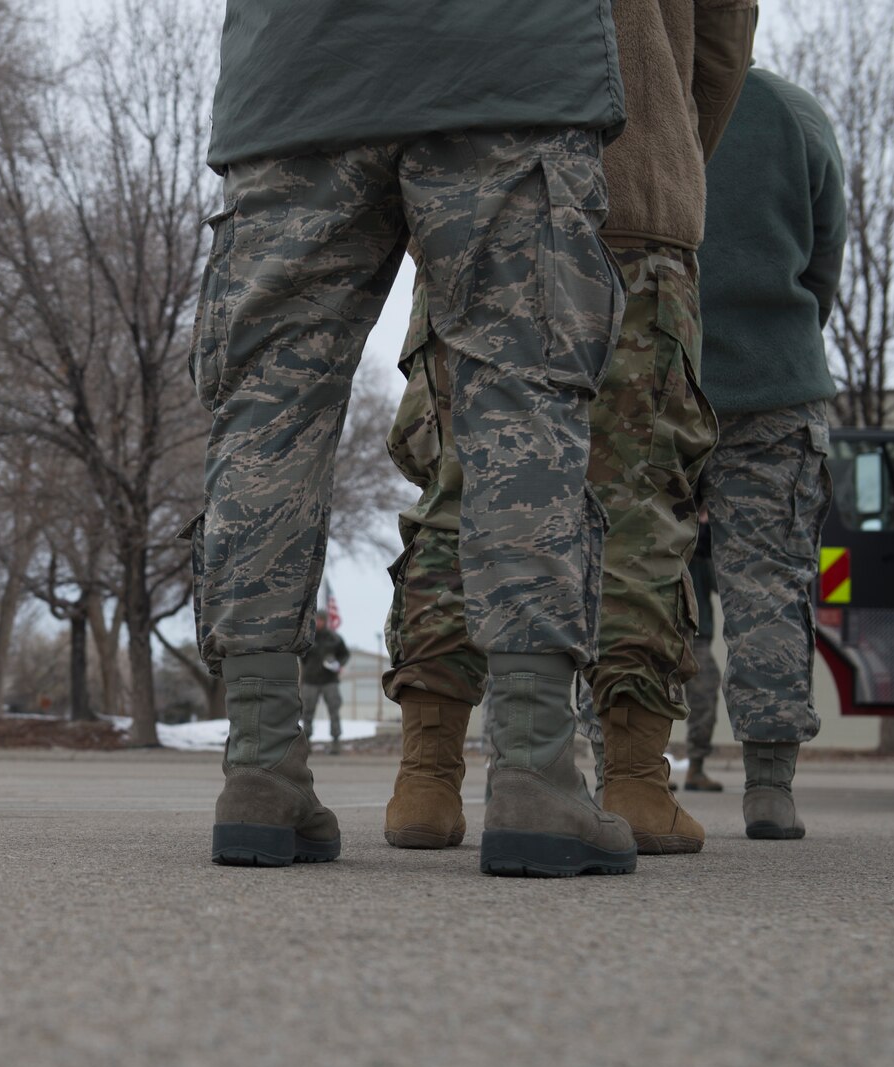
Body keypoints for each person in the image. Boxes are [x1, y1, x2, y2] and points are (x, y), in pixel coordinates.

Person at [192, 1, 632, 874]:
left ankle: (259, 771)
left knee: (268, 421)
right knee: (524, 410)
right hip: (509, 63)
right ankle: (537, 775)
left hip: (297, 72)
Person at [383, 0, 755, 860]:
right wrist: (666, 153)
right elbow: (722, 47)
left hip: (468, 207)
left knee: (460, 487)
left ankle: (426, 778)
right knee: (640, 500)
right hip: (635, 201)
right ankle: (633, 776)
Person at [696, 65, 846, 840]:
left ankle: (627, 765)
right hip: (777, 384)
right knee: (770, 588)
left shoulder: (634, 96)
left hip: (658, 379)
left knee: (636, 579)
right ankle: (769, 786)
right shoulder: (793, 111)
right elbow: (824, 259)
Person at [680, 512, 724, 791]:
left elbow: (721, 585)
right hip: (659, 629)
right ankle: (645, 771)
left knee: (705, 697)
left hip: (697, 635)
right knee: (648, 698)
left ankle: (695, 767)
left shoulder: (706, 542)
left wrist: (710, 544)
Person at [299, 616, 351, 755]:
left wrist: (338, 664)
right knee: (307, 712)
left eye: (322, 620)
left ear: (325, 621)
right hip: (311, 681)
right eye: (317, 620)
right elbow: (302, 656)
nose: (319, 622)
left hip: (330, 681)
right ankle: (306, 742)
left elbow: (345, 654)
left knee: (334, 711)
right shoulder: (308, 637)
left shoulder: (334, 638)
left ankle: (336, 742)